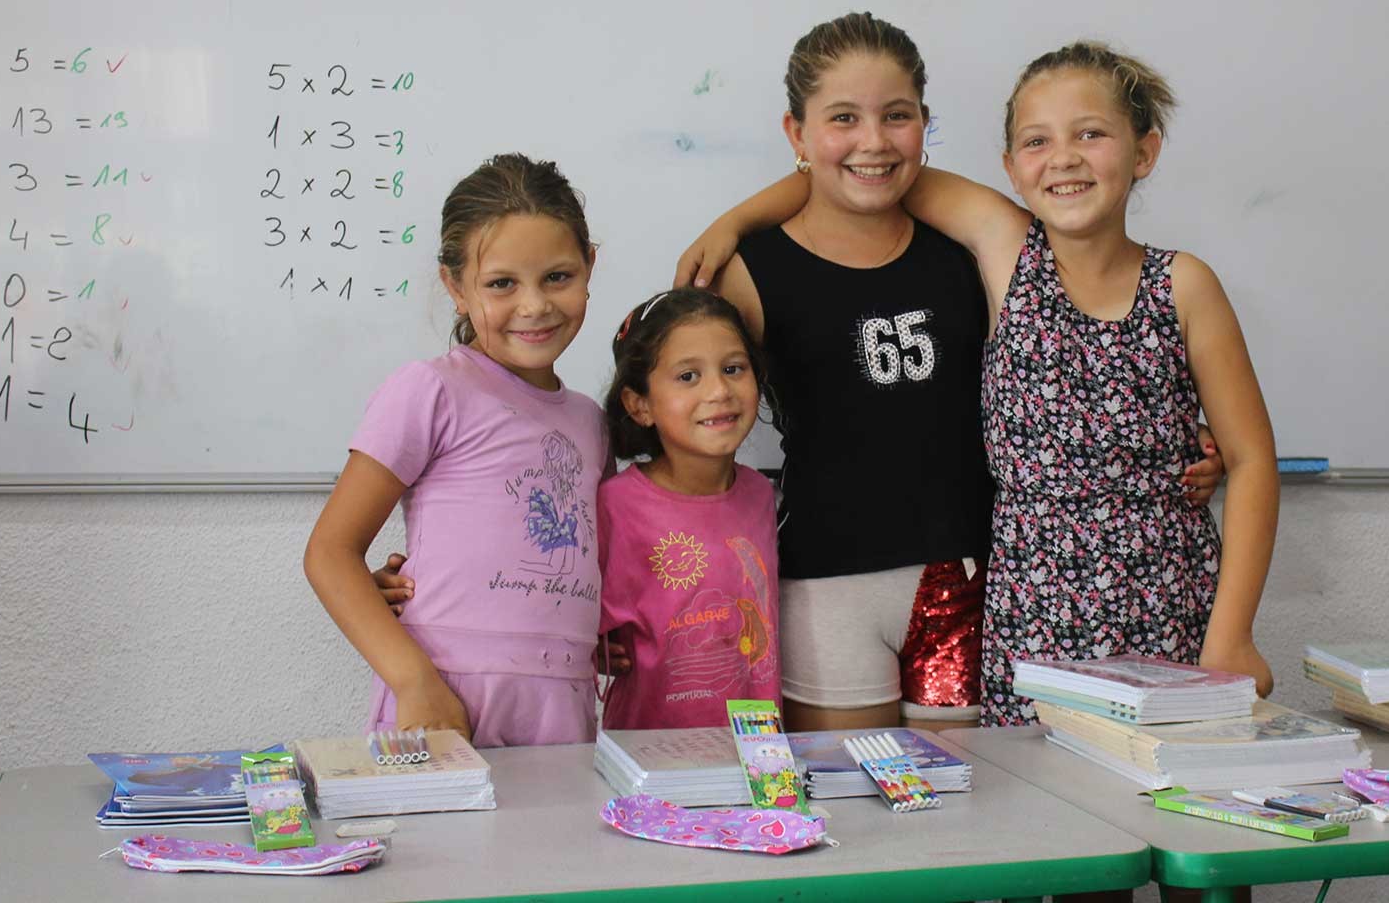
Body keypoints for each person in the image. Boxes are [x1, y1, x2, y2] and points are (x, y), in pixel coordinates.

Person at [680, 40, 1272, 727]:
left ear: (1144, 152)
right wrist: (736, 221)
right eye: (1038, 141)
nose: (1066, 157)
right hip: (1029, 619)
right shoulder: (1007, 249)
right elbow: (856, 172)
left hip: (1169, 602)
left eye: (1091, 134)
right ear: (1011, 168)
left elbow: (1254, 457)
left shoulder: (1184, 283)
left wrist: (1232, 635)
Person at [303, 153, 605, 747]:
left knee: (559, 843)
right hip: (445, 697)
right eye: (501, 283)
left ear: (590, 266)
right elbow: (329, 552)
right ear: (455, 287)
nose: (534, 305)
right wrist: (415, 683)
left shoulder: (591, 423)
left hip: (564, 704)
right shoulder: (432, 388)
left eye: (558, 277)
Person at [595, 288, 783, 729]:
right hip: (651, 761)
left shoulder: (759, 495)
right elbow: (565, 619)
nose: (719, 390)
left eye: (733, 369)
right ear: (639, 404)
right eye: (688, 377)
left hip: (757, 758)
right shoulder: (614, 506)